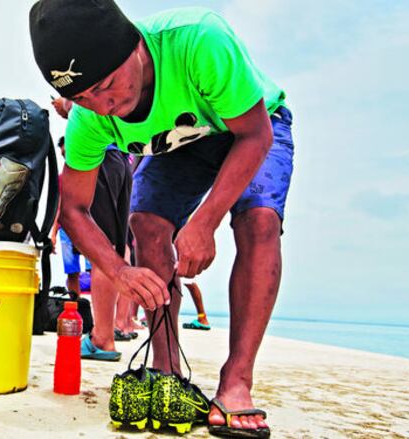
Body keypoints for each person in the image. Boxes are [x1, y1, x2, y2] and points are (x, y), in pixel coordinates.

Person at [30, 0, 293, 436]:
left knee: (258, 220)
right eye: (81, 97)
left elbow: (255, 135)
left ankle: (236, 380)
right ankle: (167, 369)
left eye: (107, 85)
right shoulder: (89, 117)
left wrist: (205, 222)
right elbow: (73, 209)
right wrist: (119, 271)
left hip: (251, 124)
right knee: (146, 225)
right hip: (180, 144)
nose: (103, 106)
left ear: (136, 44)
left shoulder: (198, 39)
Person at [51, 115, 133, 360]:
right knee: (115, 249)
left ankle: (103, 339)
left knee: (103, 251)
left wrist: (65, 105)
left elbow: (79, 105)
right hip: (120, 157)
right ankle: (109, 331)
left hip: (101, 156)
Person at [50, 137, 93, 297]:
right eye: (63, 155)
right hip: (67, 230)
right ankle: (75, 305)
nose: (66, 157)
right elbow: (58, 207)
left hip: (90, 225)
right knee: (72, 271)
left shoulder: (92, 171)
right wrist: (53, 234)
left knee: (95, 268)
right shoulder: (61, 179)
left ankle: (100, 308)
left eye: (68, 152)